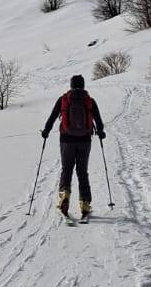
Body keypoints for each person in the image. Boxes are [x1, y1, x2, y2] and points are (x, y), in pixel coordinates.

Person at [41, 74, 105, 218]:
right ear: (83, 85)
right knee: (82, 172)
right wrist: (100, 132)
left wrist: (46, 131)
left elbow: (52, 117)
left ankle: (64, 195)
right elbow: (98, 120)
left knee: (67, 169)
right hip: (85, 140)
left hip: (66, 140)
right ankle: (85, 204)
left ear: (71, 85)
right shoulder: (89, 100)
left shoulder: (64, 99)